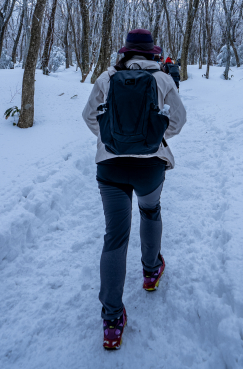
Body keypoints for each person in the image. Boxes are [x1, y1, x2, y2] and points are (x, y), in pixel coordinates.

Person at [82, 29, 186, 350]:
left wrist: (112, 138)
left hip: (110, 168)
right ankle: (151, 273)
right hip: (149, 167)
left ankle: (112, 320)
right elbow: (179, 121)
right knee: (150, 210)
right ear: (152, 53)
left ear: (125, 52)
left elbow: (88, 116)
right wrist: (152, 135)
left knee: (115, 236)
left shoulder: (107, 77)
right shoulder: (162, 80)